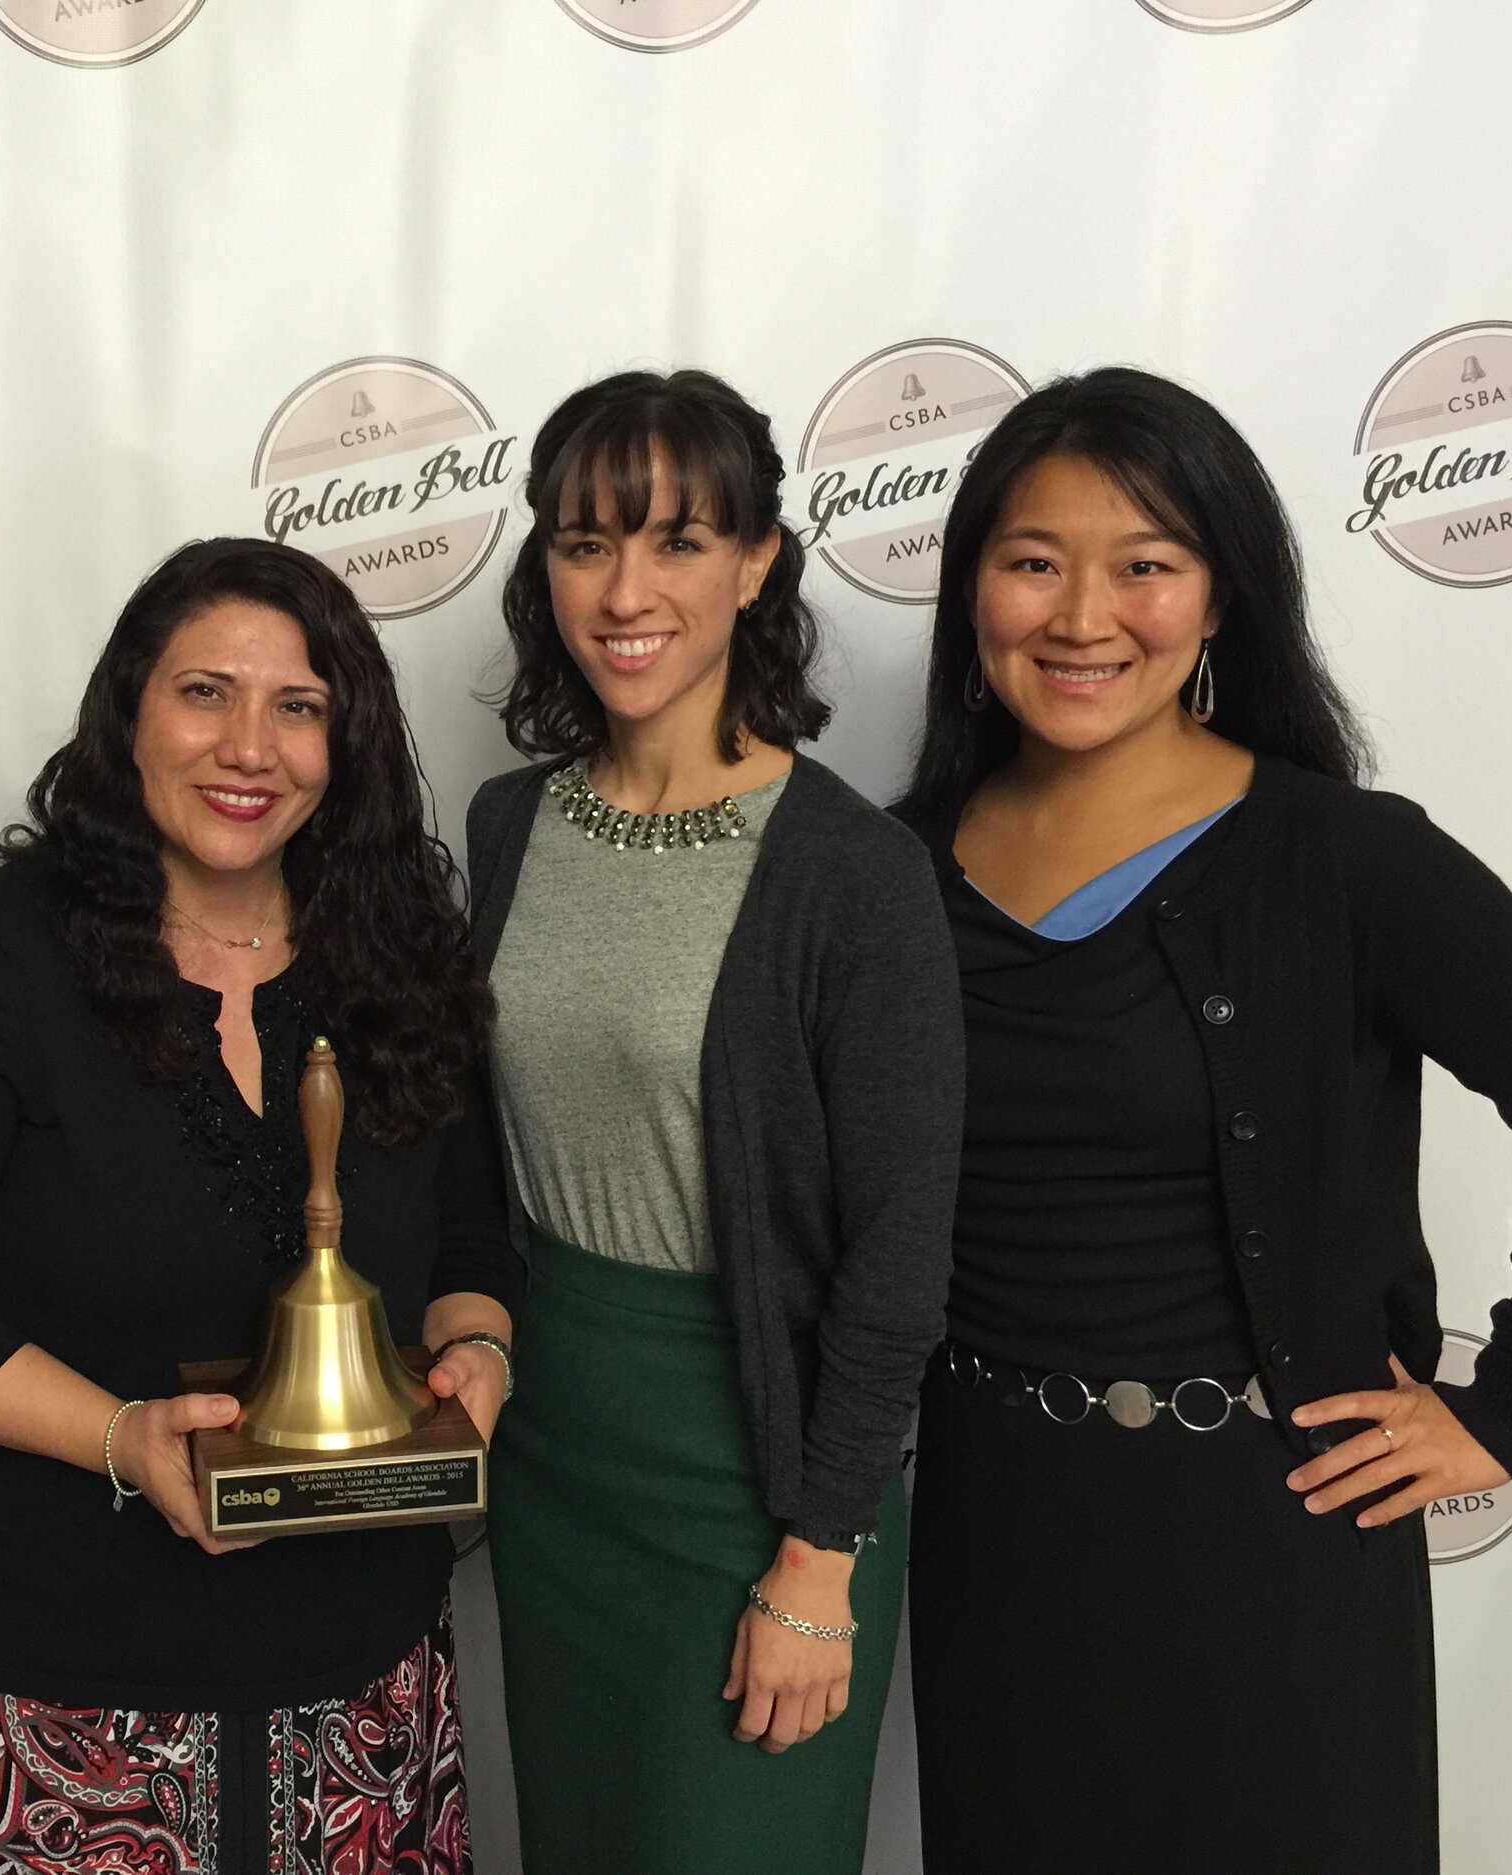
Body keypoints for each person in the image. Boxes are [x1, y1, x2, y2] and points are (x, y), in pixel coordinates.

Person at [895, 366, 1512, 1874]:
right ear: (972, 596)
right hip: (1002, 1553)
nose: (1084, 617)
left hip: (1279, 1555)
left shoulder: (1346, 860)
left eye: (1145, 565)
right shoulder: (885, 876)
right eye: (1033, 562)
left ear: (1220, 603)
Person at [0, 536, 520, 1875]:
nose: (249, 747)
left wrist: (478, 1347)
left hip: (358, 1689)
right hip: (48, 1686)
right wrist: (121, 1437)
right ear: (128, 712)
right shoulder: (1, 956)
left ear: (346, 743)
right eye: (204, 693)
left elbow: (472, 1231)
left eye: (298, 707)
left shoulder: (399, 951)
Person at [465, 368, 964, 1874]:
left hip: (756, 1474)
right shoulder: (509, 822)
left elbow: (899, 1256)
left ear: (756, 565)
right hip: (554, 1449)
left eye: (678, 542)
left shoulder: (854, 873)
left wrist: (819, 1557)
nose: (626, 593)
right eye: (586, 543)